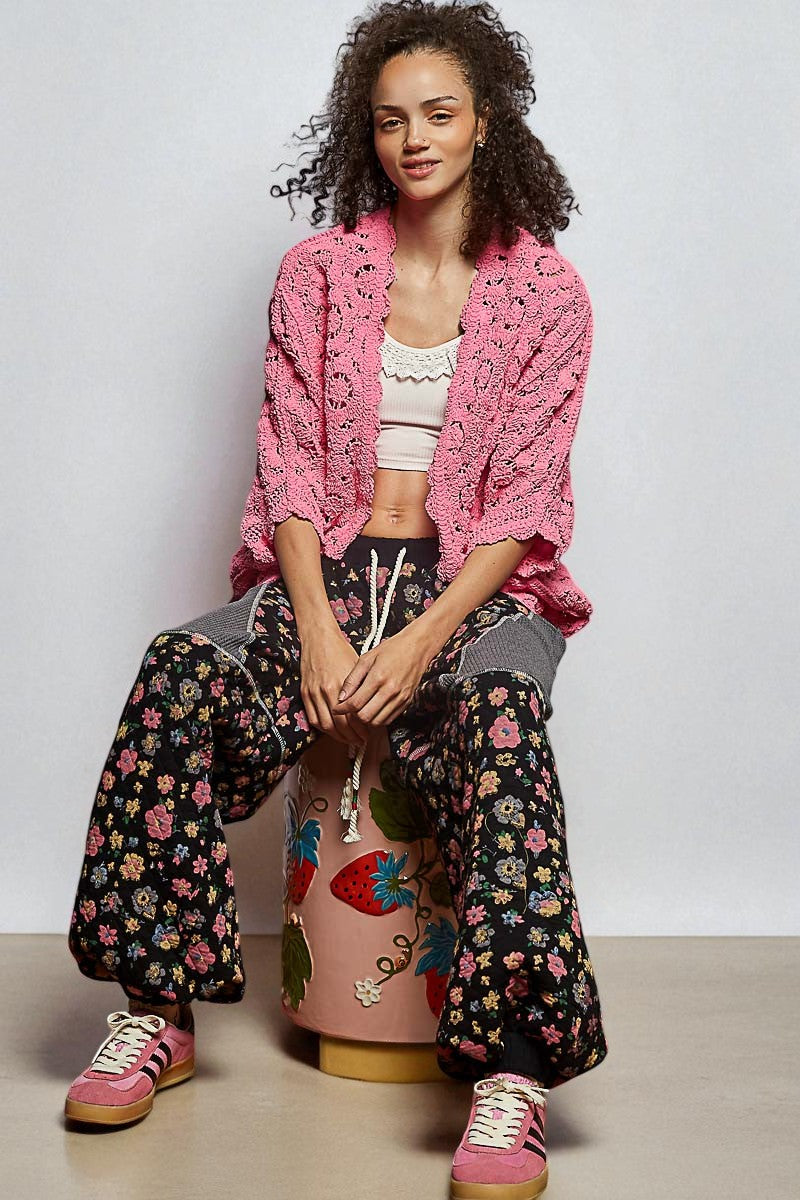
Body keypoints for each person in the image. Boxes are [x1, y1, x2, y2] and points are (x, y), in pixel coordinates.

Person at [64, 3, 608, 1194]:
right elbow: (289, 465)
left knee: (501, 712)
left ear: (484, 123)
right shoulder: (318, 272)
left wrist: (420, 638)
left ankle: (508, 1075)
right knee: (180, 668)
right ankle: (156, 1011)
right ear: (364, 134)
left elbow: (521, 501)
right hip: (327, 569)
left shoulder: (546, 294)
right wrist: (312, 618)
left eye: (438, 114)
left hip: (473, 585)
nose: (413, 139)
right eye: (389, 120)